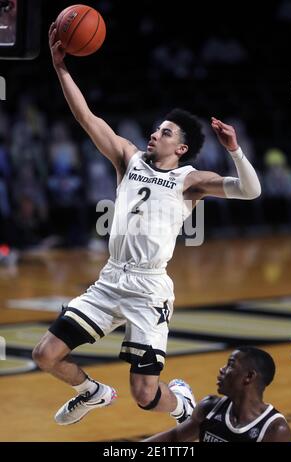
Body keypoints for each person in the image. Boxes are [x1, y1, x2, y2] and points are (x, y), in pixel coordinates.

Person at [32, 24, 261, 427]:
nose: (155, 134)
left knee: (144, 395)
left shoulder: (190, 180)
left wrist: (235, 150)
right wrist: (61, 69)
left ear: (182, 147)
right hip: (109, 280)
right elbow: (87, 118)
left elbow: (250, 191)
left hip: (148, 289)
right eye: (157, 129)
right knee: (44, 355)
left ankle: (183, 405)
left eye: (165, 132)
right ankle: (92, 392)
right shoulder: (129, 158)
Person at [143, 347, 291, 442]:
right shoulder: (209, 407)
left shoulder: (274, 430)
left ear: (249, 377)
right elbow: (175, 437)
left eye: (230, 364)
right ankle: (184, 407)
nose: (222, 369)